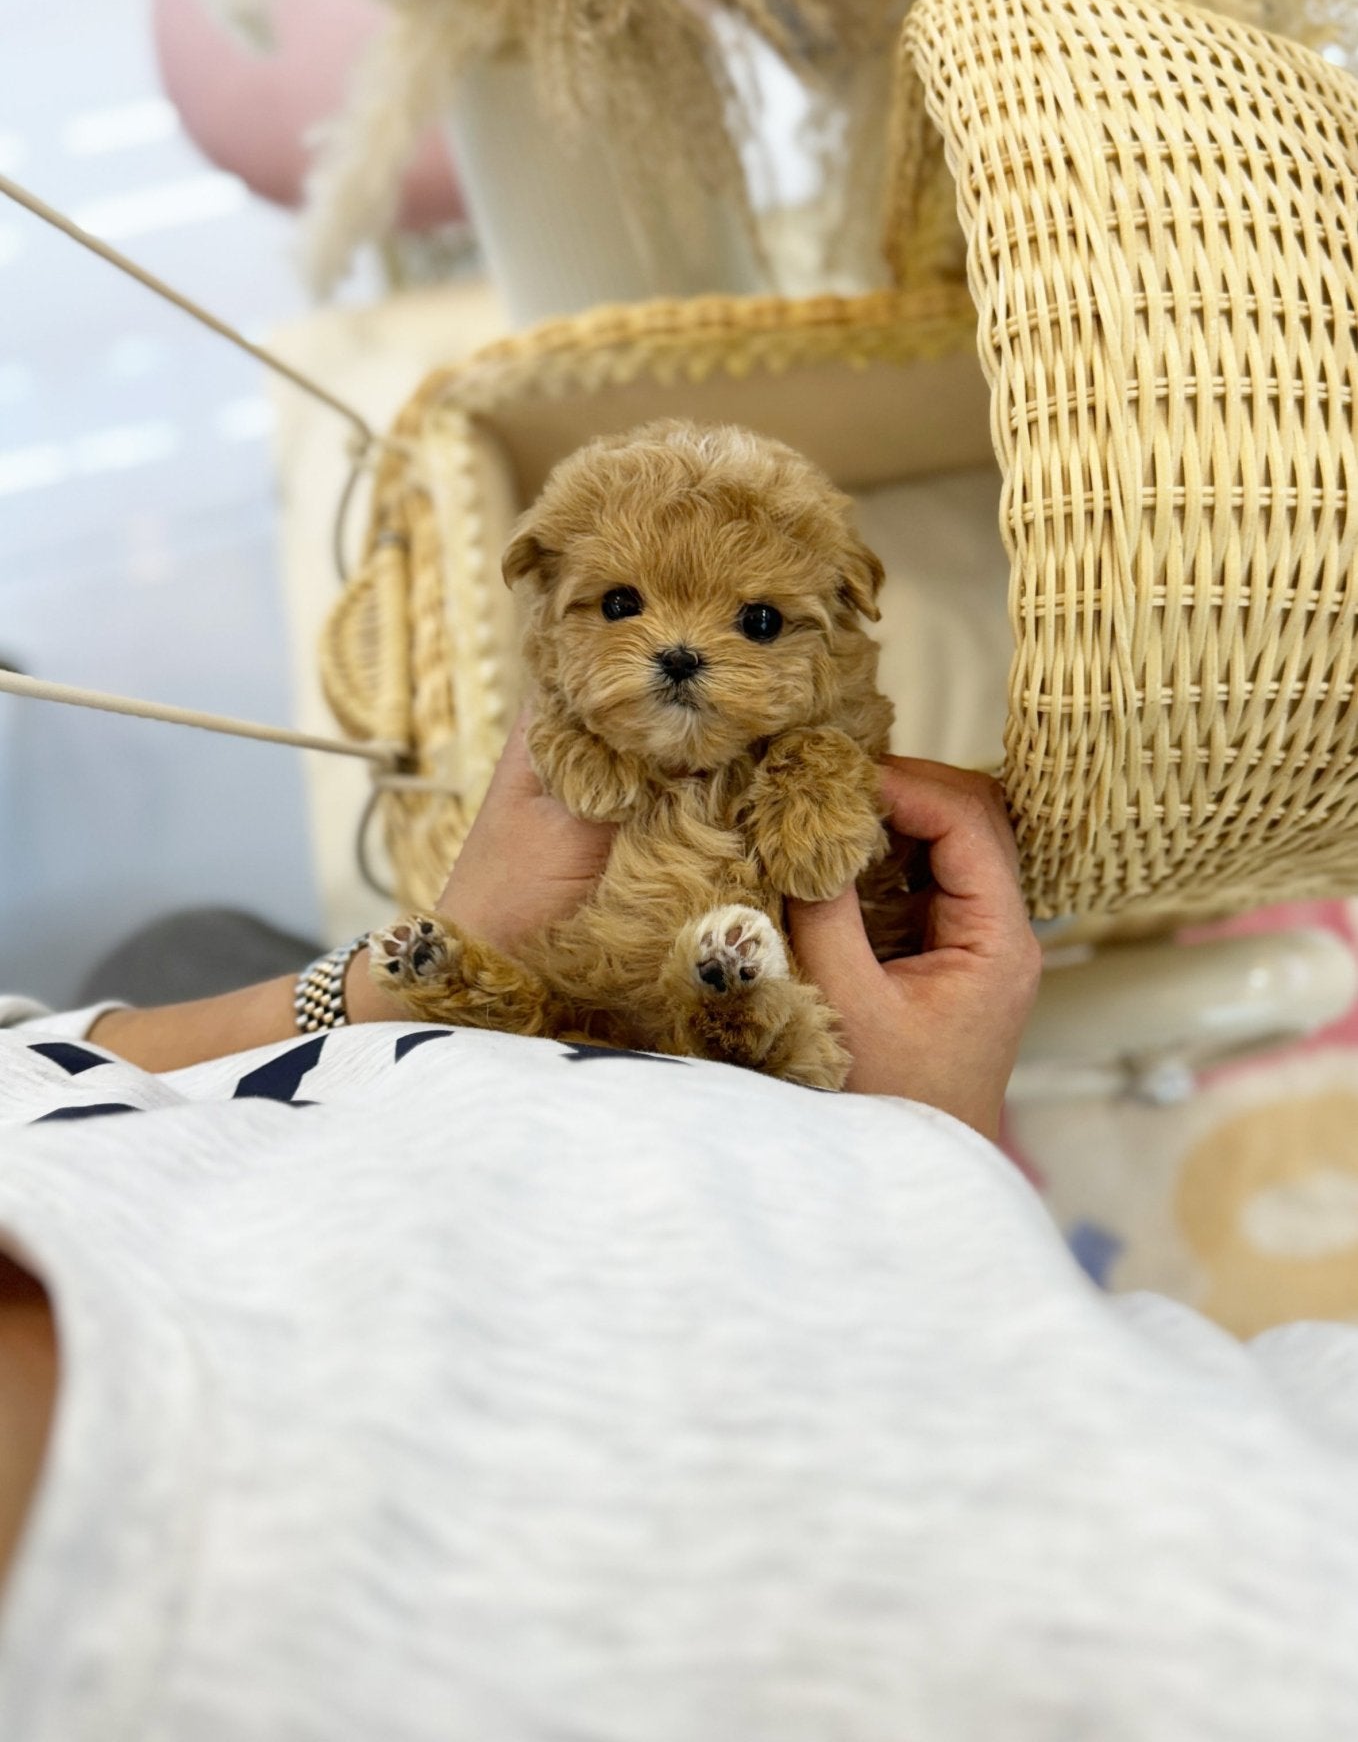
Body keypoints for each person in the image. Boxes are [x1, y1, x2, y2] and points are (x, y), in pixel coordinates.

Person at [0, 726, 1356, 1741]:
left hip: (420, 1076)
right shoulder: (1241, 1623)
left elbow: (52, 1061)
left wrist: (425, 962)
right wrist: (928, 1156)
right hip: (840, 1175)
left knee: (180, 946)